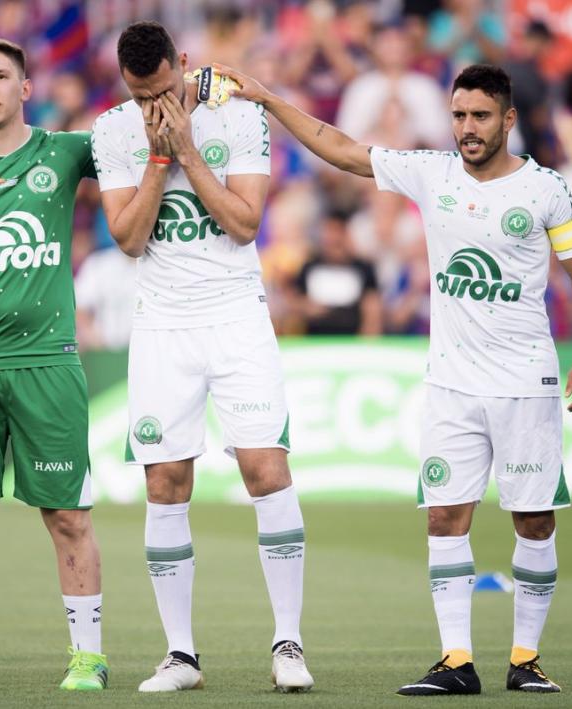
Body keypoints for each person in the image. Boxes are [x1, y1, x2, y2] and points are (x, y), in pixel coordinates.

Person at [216, 60, 572, 695]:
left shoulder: (545, 190)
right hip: (450, 386)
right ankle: (457, 661)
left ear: (508, 120)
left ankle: (526, 660)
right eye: (459, 115)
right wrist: (269, 97)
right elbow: (342, 148)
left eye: (481, 116)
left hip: (526, 384)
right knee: (443, 518)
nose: (467, 127)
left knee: (535, 521)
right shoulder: (431, 172)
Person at [91, 21, 313, 694]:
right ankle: (181, 655)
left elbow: (244, 223)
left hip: (235, 316)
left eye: (161, 90)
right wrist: (157, 160)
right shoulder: (111, 130)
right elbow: (127, 239)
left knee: (264, 467)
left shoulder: (236, 117)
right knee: (165, 483)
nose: (152, 107)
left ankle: (287, 643)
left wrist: (187, 150)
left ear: (182, 65)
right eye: (139, 96)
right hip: (162, 325)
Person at [0, 38, 108, 692]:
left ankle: (88, 655)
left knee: (67, 514)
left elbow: (136, 139)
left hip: (45, 361)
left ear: (25, 87)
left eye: (1, 76)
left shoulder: (65, 152)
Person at [290, 209, 382, 335]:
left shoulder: (363, 269)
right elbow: (295, 301)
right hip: (314, 342)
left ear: (346, 234)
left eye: (337, 231)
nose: (332, 238)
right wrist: (306, 308)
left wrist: (366, 344)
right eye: (328, 232)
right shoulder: (310, 267)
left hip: (352, 341)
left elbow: (373, 308)